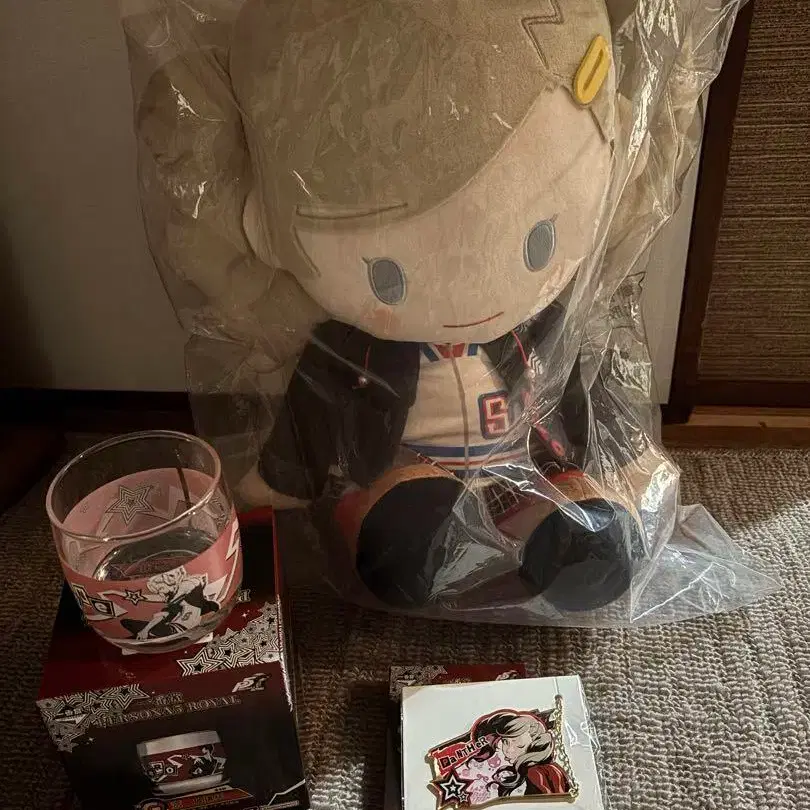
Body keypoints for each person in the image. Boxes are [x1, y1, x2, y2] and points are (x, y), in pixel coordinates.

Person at [470, 710, 571, 799]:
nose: (508, 750)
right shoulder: (524, 772)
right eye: (505, 742)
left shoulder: (538, 772)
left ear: (534, 744)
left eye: (520, 745)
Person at [121, 567, 220, 641]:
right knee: (127, 623)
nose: (160, 593)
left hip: (175, 631)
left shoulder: (184, 592)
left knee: (129, 623)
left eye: (161, 589)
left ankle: (148, 634)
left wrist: (145, 630)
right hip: (181, 629)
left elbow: (162, 615)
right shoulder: (183, 598)